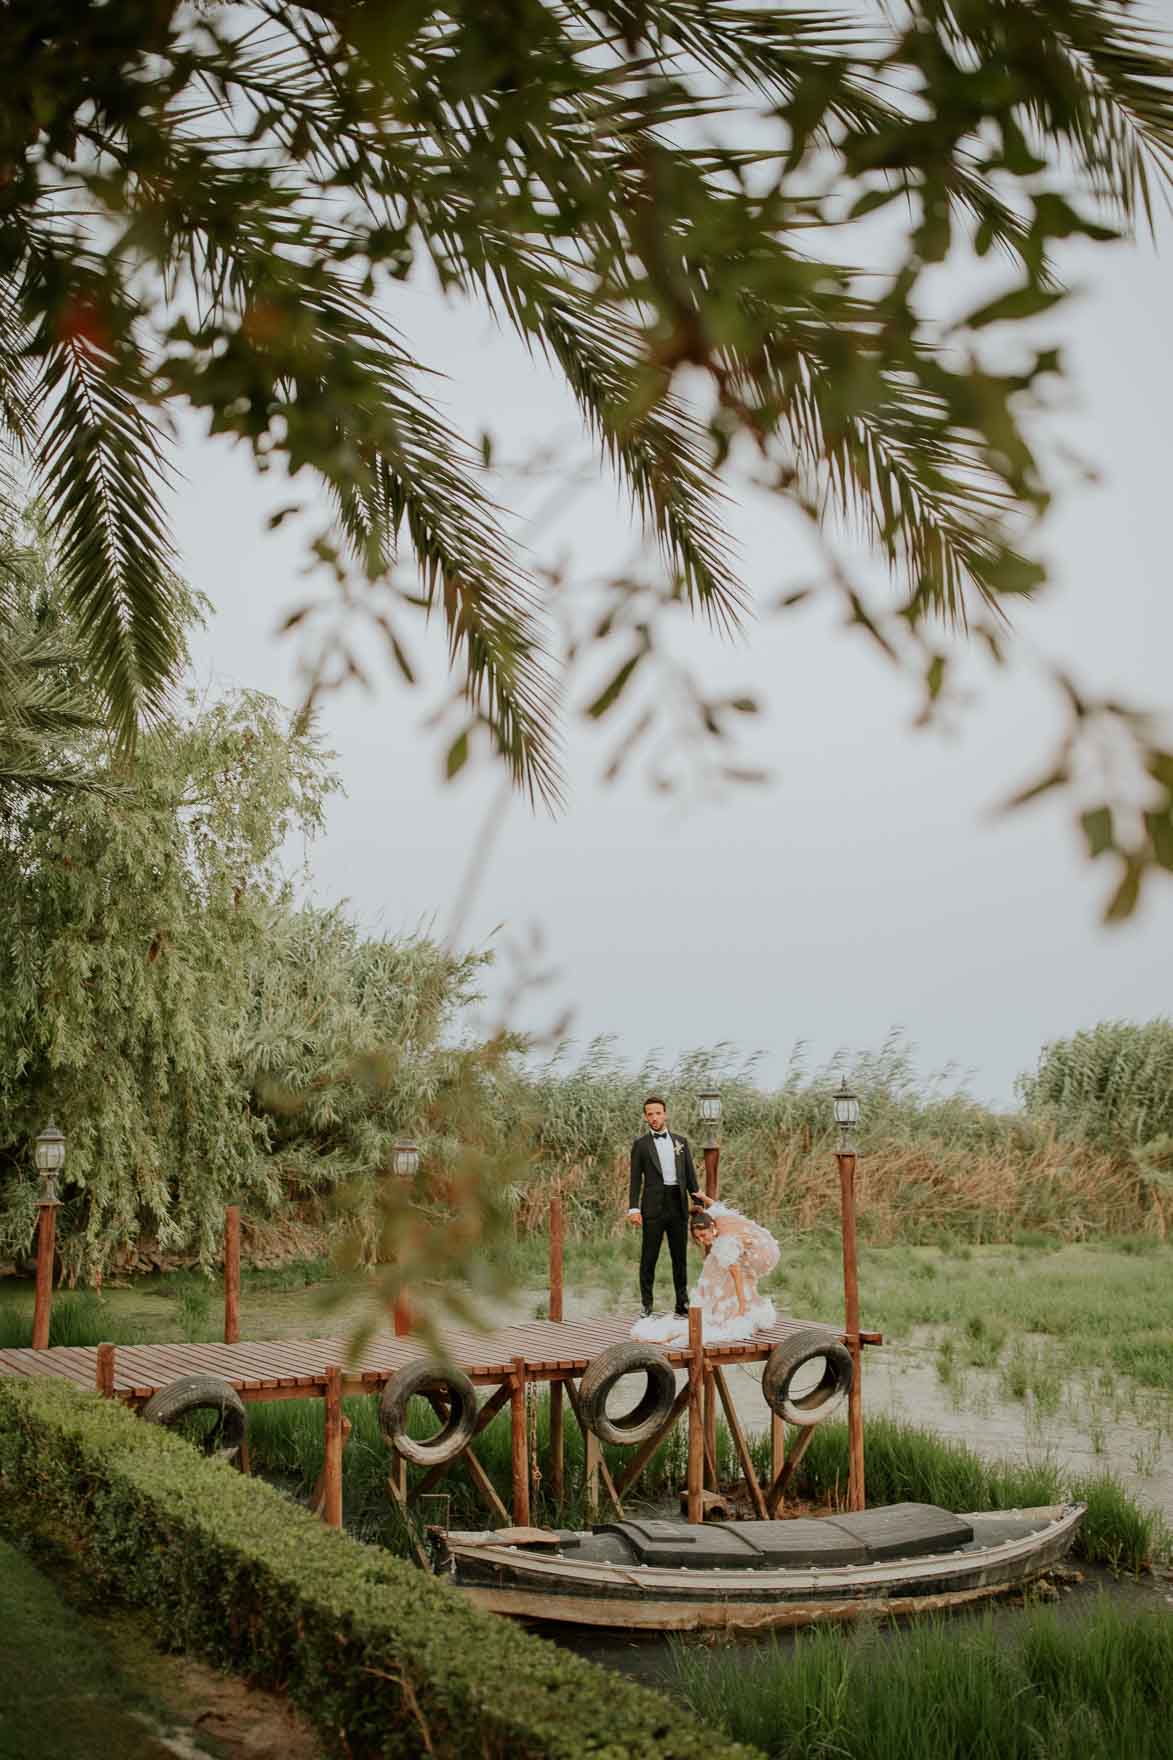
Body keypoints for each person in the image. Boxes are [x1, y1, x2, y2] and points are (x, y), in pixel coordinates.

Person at [631, 1192, 780, 1346]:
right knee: (715, 1264)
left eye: (703, 1235)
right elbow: (715, 1205)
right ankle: (719, 1308)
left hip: (762, 1253)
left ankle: (738, 1310)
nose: (702, 1241)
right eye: (698, 1238)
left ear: (712, 1227)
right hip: (758, 1240)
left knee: (718, 1267)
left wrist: (741, 1306)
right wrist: (703, 1197)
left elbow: (737, 1276)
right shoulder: (709, 1215)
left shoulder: (725, 1242)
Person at [626, 1094, 699, 1319]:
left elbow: (690, 1175)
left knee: (680, 1257)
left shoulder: (681, 1142)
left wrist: (698, 1204)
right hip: (653, 1206)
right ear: (646, 1118)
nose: (655, 1117)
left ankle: (682, 1303)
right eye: (650, 1114)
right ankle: (647, 1305)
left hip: (677, 1204)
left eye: (658, 1113)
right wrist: (634, 1208)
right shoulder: (641, 1145)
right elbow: (636, 1179)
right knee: (649, 1257)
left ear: (665, 1114)